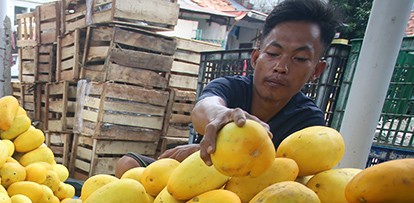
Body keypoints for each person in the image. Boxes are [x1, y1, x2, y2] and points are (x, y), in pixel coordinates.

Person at [115, 0, 341, 178]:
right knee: (129, 164)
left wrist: (202, 151)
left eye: (299, 58)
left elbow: (291, 180)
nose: (281, 67)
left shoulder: (308, 121)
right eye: (273, 54)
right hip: (198, 176)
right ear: (255, 57)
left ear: (316, 71)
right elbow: (205, 108)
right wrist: (221, 116)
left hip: (250, 198)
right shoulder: (230, 87)